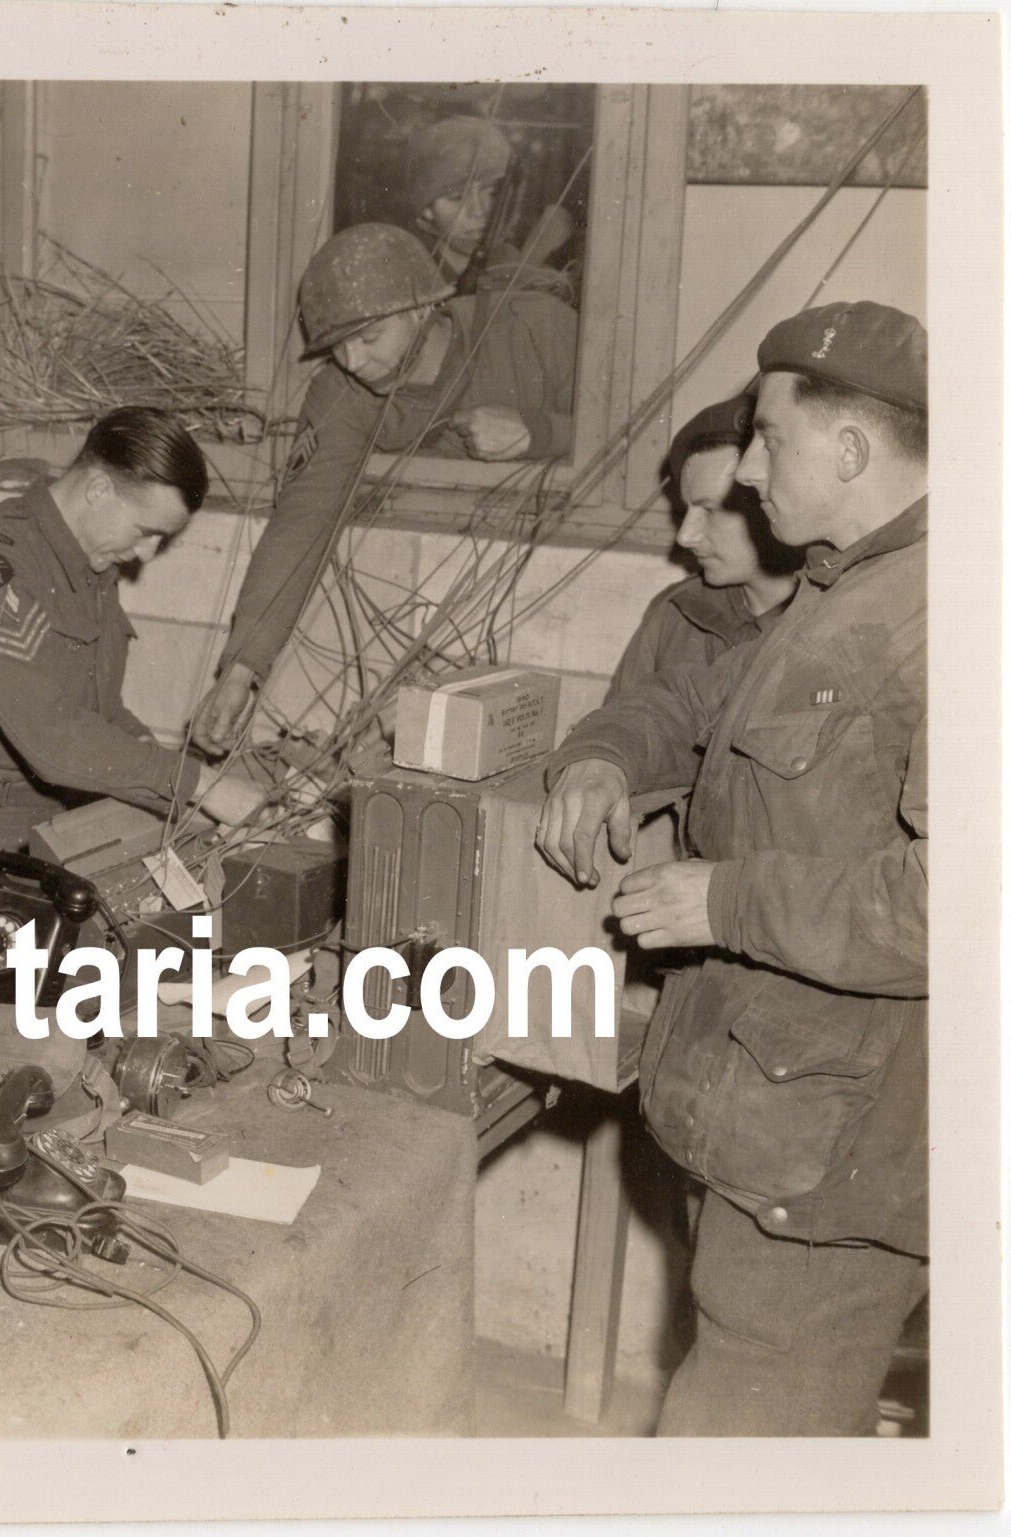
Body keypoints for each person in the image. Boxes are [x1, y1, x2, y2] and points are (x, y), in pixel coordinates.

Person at [536, 301, 928, 1436]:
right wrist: (604, 758)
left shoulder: (947, 613)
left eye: (767, 439)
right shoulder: (840, 587)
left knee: (733, 1450)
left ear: (846, 450)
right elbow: (690, 701)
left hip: (838, 1163)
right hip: (775, 1122)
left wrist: (722, 897)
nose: (749, 472)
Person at [0, 406, 266, 971]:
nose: (146, 555)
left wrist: (166, 773)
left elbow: (95, 712)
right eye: (146, 532)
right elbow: (52, 735)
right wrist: (198, 785)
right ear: (98, 488)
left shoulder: (88, 567)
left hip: (46, 829)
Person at [193, 223, 578, 754]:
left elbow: (634, 437)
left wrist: (542, 432)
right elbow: (303, 519)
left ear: (423, 307)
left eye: (368, 338)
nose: (353, 362)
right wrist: (241, 668)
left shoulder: (535, 327)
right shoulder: (343, 390)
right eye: (337, 346)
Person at [606, 390, 802, 700]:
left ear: (771, 504)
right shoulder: (676, 612)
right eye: (686, 511)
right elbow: (617, 721)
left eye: (711, 510)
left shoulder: (832, 620)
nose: (685, 537)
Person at [403, 115, 575, 298]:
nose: (478, 211)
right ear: (427, 210)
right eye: (456, 197)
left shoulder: (527, 274)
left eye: (491, 193)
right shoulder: (407, 278)